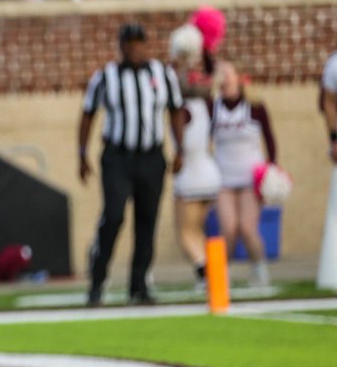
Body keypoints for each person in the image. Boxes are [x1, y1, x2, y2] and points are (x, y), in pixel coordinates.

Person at [79, 22, 185, 306]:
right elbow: (88, 114)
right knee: (113, 216)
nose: (135, 49)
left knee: (147, 221)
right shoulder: (105, 77)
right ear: (121, 46)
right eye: (129, 43)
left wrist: (180, 149)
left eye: (140, 43)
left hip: (151, 156)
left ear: (146, 46)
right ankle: (97, 280)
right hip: (118, 157)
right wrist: (82, 153)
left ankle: (139, 285)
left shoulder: (163, 75)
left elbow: (176, 112)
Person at [212, 61, 277, 287]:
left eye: (227, 73)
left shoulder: (255, 106)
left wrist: (272, 170)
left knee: (248, 229)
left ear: (239, 77)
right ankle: (221, 276)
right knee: (228, 230)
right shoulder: (213, 106)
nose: (223, 77)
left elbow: (270, 140)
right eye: (220, 74)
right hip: (223, 179)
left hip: (251, 178)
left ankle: (259, 270)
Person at [167, 24, 221, 291]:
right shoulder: (205, 104)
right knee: (198, 230)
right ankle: (211, 275)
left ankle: (208, 274)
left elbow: (171, 82)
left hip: (191, 173)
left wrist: (180, 62)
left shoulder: (182, 111)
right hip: (210, 172)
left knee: (186, 234)